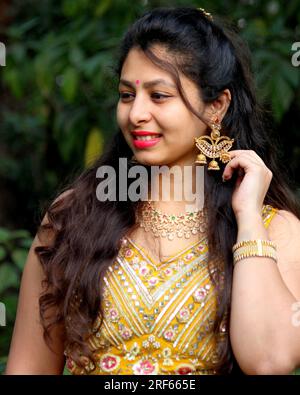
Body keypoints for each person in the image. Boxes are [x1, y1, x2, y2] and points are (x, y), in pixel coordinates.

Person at [5, 6, 300, 375]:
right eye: (127, 95)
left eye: (159, 96)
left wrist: (249, 218)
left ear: (216, 106)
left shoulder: (275, 229)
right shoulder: (73, 218)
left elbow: (270, 361)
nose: (136, 113)